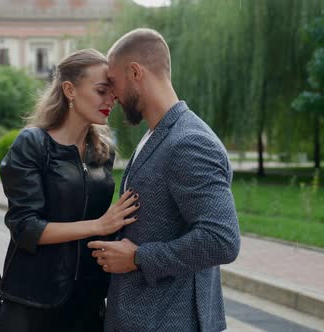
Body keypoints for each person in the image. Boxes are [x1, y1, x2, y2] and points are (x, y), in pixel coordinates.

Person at [87, 28, 241, 331]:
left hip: (167, 322)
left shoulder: (189, 141)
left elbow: (222, 239)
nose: (113, 96)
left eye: (114, 83)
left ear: (135, 72)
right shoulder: (158, 133)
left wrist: (139, 258)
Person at [0, 48, 140, 332]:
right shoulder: (33, 144)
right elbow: (25, 227)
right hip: (34, 304)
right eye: (101, 90)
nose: (111, 100)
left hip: (89, 302)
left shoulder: (103, 151)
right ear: (69, 90)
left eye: (112, 92)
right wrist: (98, 225)